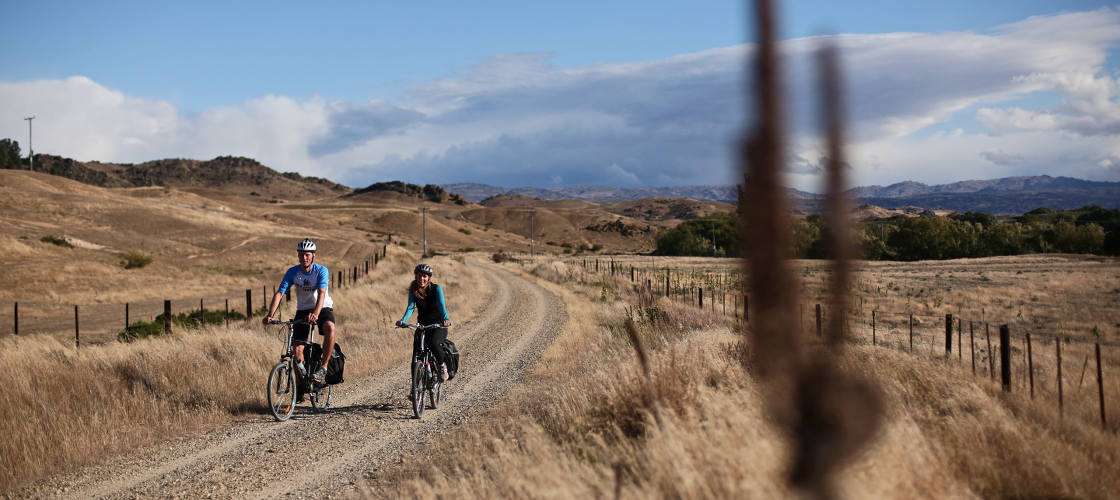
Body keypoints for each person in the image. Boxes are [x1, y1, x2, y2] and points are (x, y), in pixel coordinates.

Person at [263, 238, 337, 385]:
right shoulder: (292, 272)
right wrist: (270, 315)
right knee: (297, 349)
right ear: (298, 255)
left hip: (322, 307)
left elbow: (322, 293)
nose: (304, 258)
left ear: (313, 256)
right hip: (303, 309)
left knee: (329, 326)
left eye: (307, 255)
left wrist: (315, 314)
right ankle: (301, 385)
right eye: (301, 254)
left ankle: (323, 366)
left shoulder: (321, 270)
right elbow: (280, 293)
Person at [395, 263, 452, 381]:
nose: (422, 278)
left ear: (429, 278)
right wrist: (403, 320)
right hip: (422, 326)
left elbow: (442, 305)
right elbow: (411, 307)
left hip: (438, 325)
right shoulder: (413, 290)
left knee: (433, 343)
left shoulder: (436, 289)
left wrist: (445, 318)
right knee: (415, 356)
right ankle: (414, 387)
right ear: (416, 276)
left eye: (425, 276)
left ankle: (442, 366)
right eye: (419, 276)